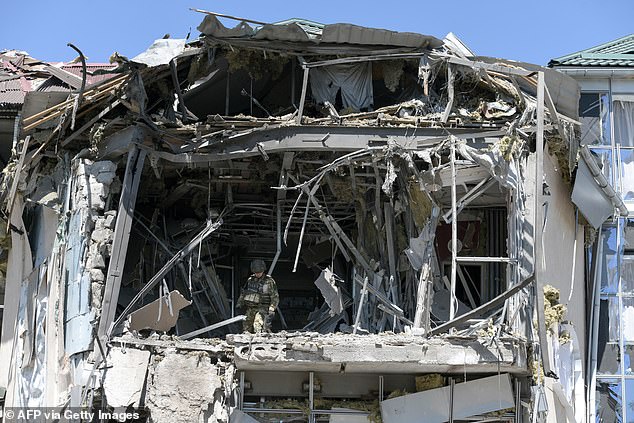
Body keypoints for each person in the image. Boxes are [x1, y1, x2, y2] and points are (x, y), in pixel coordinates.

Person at [237, 259, 279, 333]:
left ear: (263, 270)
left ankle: (259, 341)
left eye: (259, 272)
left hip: (263, 308)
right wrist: (239, 303)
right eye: (256, 272)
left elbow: (275, 296)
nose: (257, 274)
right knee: (246, 324)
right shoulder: (250, 280)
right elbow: (244, 293)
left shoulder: (269, 281)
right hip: (251, 308)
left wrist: (272, 308)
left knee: (258, 325)